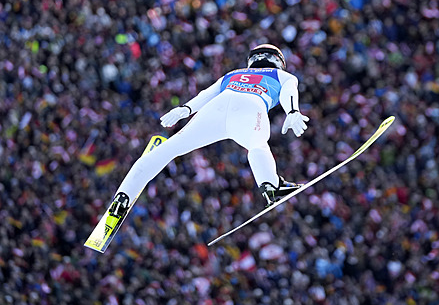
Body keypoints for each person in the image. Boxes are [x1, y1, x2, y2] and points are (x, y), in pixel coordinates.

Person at [104, 44, 310, 223]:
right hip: (251, 106)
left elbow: (207, 94)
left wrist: (184, 109)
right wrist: (292, 111)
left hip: (217, 107)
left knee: (170, 149)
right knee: (257, 145)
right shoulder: (283, 75)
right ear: (278, 60)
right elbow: (288, 91)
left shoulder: (232, 74)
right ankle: (270, 185)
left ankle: (123, 196)